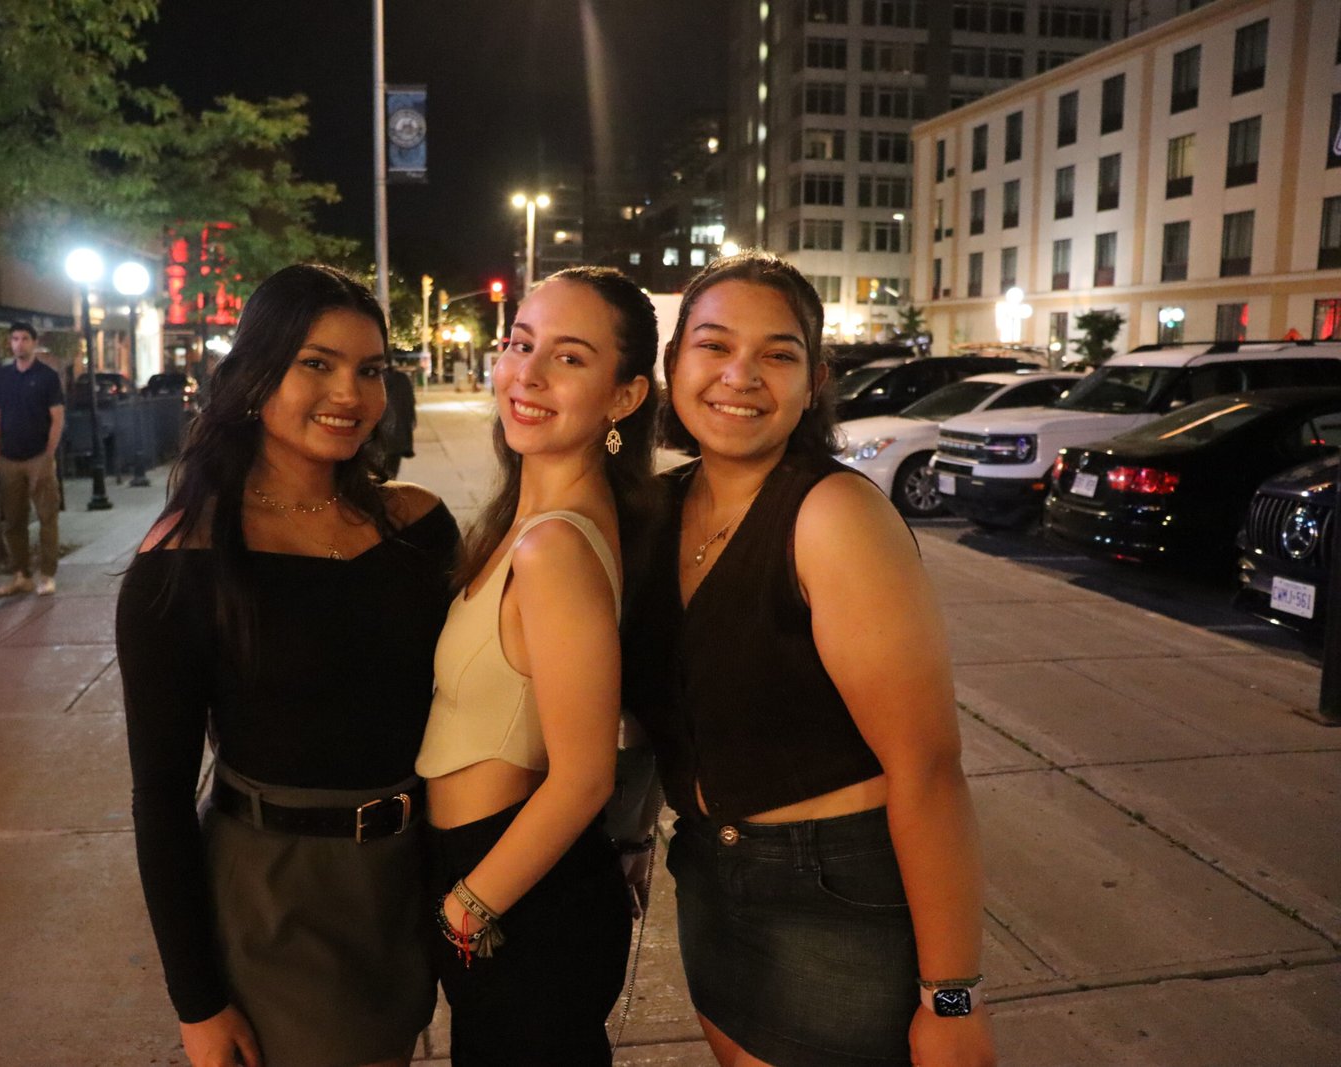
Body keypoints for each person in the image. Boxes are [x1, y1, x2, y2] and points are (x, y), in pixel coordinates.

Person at [621, 251, 997, 1067]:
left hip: (832, 896)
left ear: (814, 381)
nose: (741, 375)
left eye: (778, 354)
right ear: (675, 363)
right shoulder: (658, 510)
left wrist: (953, 998)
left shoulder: (832, 516)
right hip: (710, 875)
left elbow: (929, 768)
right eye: (715, 346)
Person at [116, 264, 459, 1067]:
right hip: (279, 891)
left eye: (370, 369)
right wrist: (197, 999)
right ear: (255, 377)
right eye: (316, 363)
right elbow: (160, 797)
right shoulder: (185, 559)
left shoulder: (418, 525)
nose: (350, 393)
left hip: (412, 876)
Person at [415, 266, 655, 1066]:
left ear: (624, 396)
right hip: (500, 878)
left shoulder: (553, 547)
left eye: (570, 357)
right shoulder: (525, 522)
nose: (529, 372)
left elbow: (585, 775)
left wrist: (467, 905)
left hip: (518, 895)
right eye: (521, 343)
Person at [0, 321, 64, 597]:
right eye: (15, 339)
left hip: (38, 456)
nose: (19, 344)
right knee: (13, 519)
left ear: (34, 342)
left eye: (24, 339)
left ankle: (47, 573)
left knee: (47, 516)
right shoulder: (2, 377)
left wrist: (49, 453)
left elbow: (57, 417)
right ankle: (21, 574)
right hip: (9, 457)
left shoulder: (47, 377)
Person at [378, 361, 417, 478]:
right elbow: (410, 407)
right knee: (390, 475)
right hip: (398, 437)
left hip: (375, 439)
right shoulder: (402, 379)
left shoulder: (374, 378)